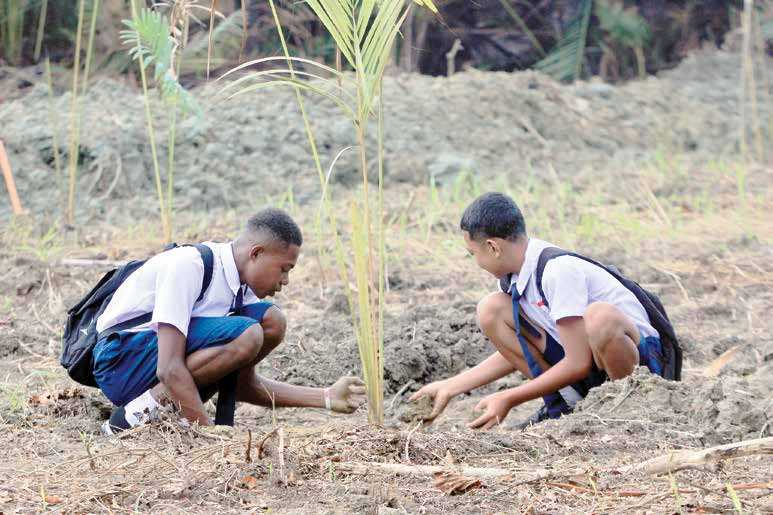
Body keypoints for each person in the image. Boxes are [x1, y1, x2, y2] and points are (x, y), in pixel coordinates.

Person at [410, 192, 670, 430]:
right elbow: (523, 347)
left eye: (473, 253)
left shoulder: (557, 271)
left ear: (493, 247)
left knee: (599, 317)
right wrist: (451, 386)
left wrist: (509, 397)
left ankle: (626, 410)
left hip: (644, 367)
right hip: (594, 363)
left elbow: (578, 362)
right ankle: (566, 406)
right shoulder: (516, 279)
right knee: (492, 309)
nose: (476, 262)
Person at [94, 207, 366, 434]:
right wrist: (210, 434)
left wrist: (327, 397)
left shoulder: (240, 289)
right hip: (120, 361)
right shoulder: (190, 265)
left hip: (151, 361)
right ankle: (129, 419)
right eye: (284, 269)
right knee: (248, 333)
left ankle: (152, 408)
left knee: (272, 321)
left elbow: (244, 387)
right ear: (256, 253)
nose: (285, 281)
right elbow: (169, 369)